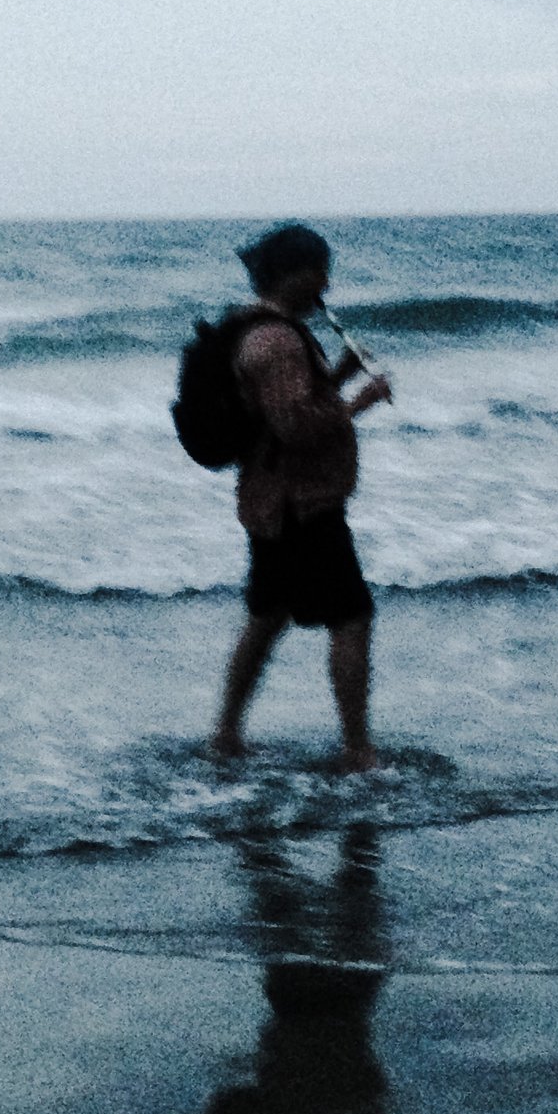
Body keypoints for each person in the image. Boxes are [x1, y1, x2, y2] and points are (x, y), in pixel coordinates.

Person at [211, 223, 391, 766]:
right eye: (319, 273)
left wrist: (336, 376)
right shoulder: (278, 340)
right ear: (294, 274)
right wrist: (361, 402)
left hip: (272, 501)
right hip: (301, 505)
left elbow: (282, 414)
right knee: (351, 617)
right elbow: (295, 429)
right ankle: (357, 748)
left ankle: (226, 735)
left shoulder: (259, 330)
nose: (327, 286)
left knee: (268, 616)